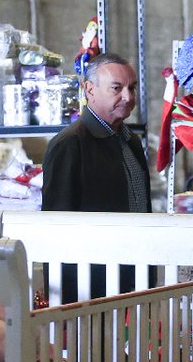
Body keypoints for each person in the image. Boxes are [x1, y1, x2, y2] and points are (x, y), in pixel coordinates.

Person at [42, 52, 151, 300]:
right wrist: (64, 299)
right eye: (117, 88)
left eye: (131, 88)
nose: (128, 97)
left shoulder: (129, 141)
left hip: (133, 273)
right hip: (89, 285)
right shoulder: (69, 145)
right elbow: (55, 229)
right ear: (89, 90)